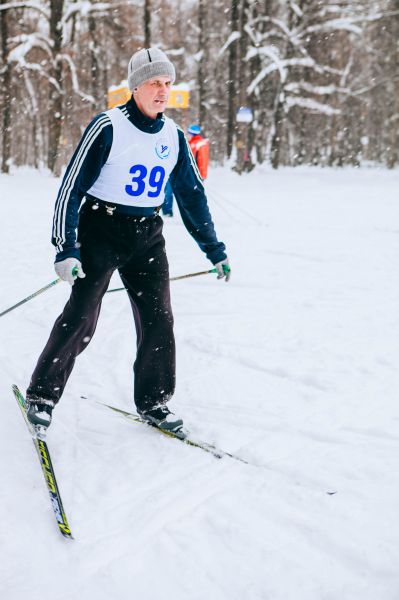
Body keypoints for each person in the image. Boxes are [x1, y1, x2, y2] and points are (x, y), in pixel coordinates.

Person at [25, 47, 230, 435]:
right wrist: (66, 247)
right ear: (135, 86)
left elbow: (191, 196)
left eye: (167, 83)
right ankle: (42, 395)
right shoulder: (108, 126)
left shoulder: (173, 136)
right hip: (101, 230)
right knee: (82, 315)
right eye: (154, 82)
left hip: (148, 235)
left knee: (158, 320)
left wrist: (214, 248)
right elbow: (71, 189)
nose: (162, 90)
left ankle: (154, 403)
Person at [161, 124, 209, 217]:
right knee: (187, 194)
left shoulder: (197, 144)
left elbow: (201, 161)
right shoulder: (194, 143)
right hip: (191, 173)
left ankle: (192, 214)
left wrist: (200, 175)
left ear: (193, 133)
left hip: (192, 174)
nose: (188, 135)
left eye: (189, 133)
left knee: (187, 194)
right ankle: (188, 213)